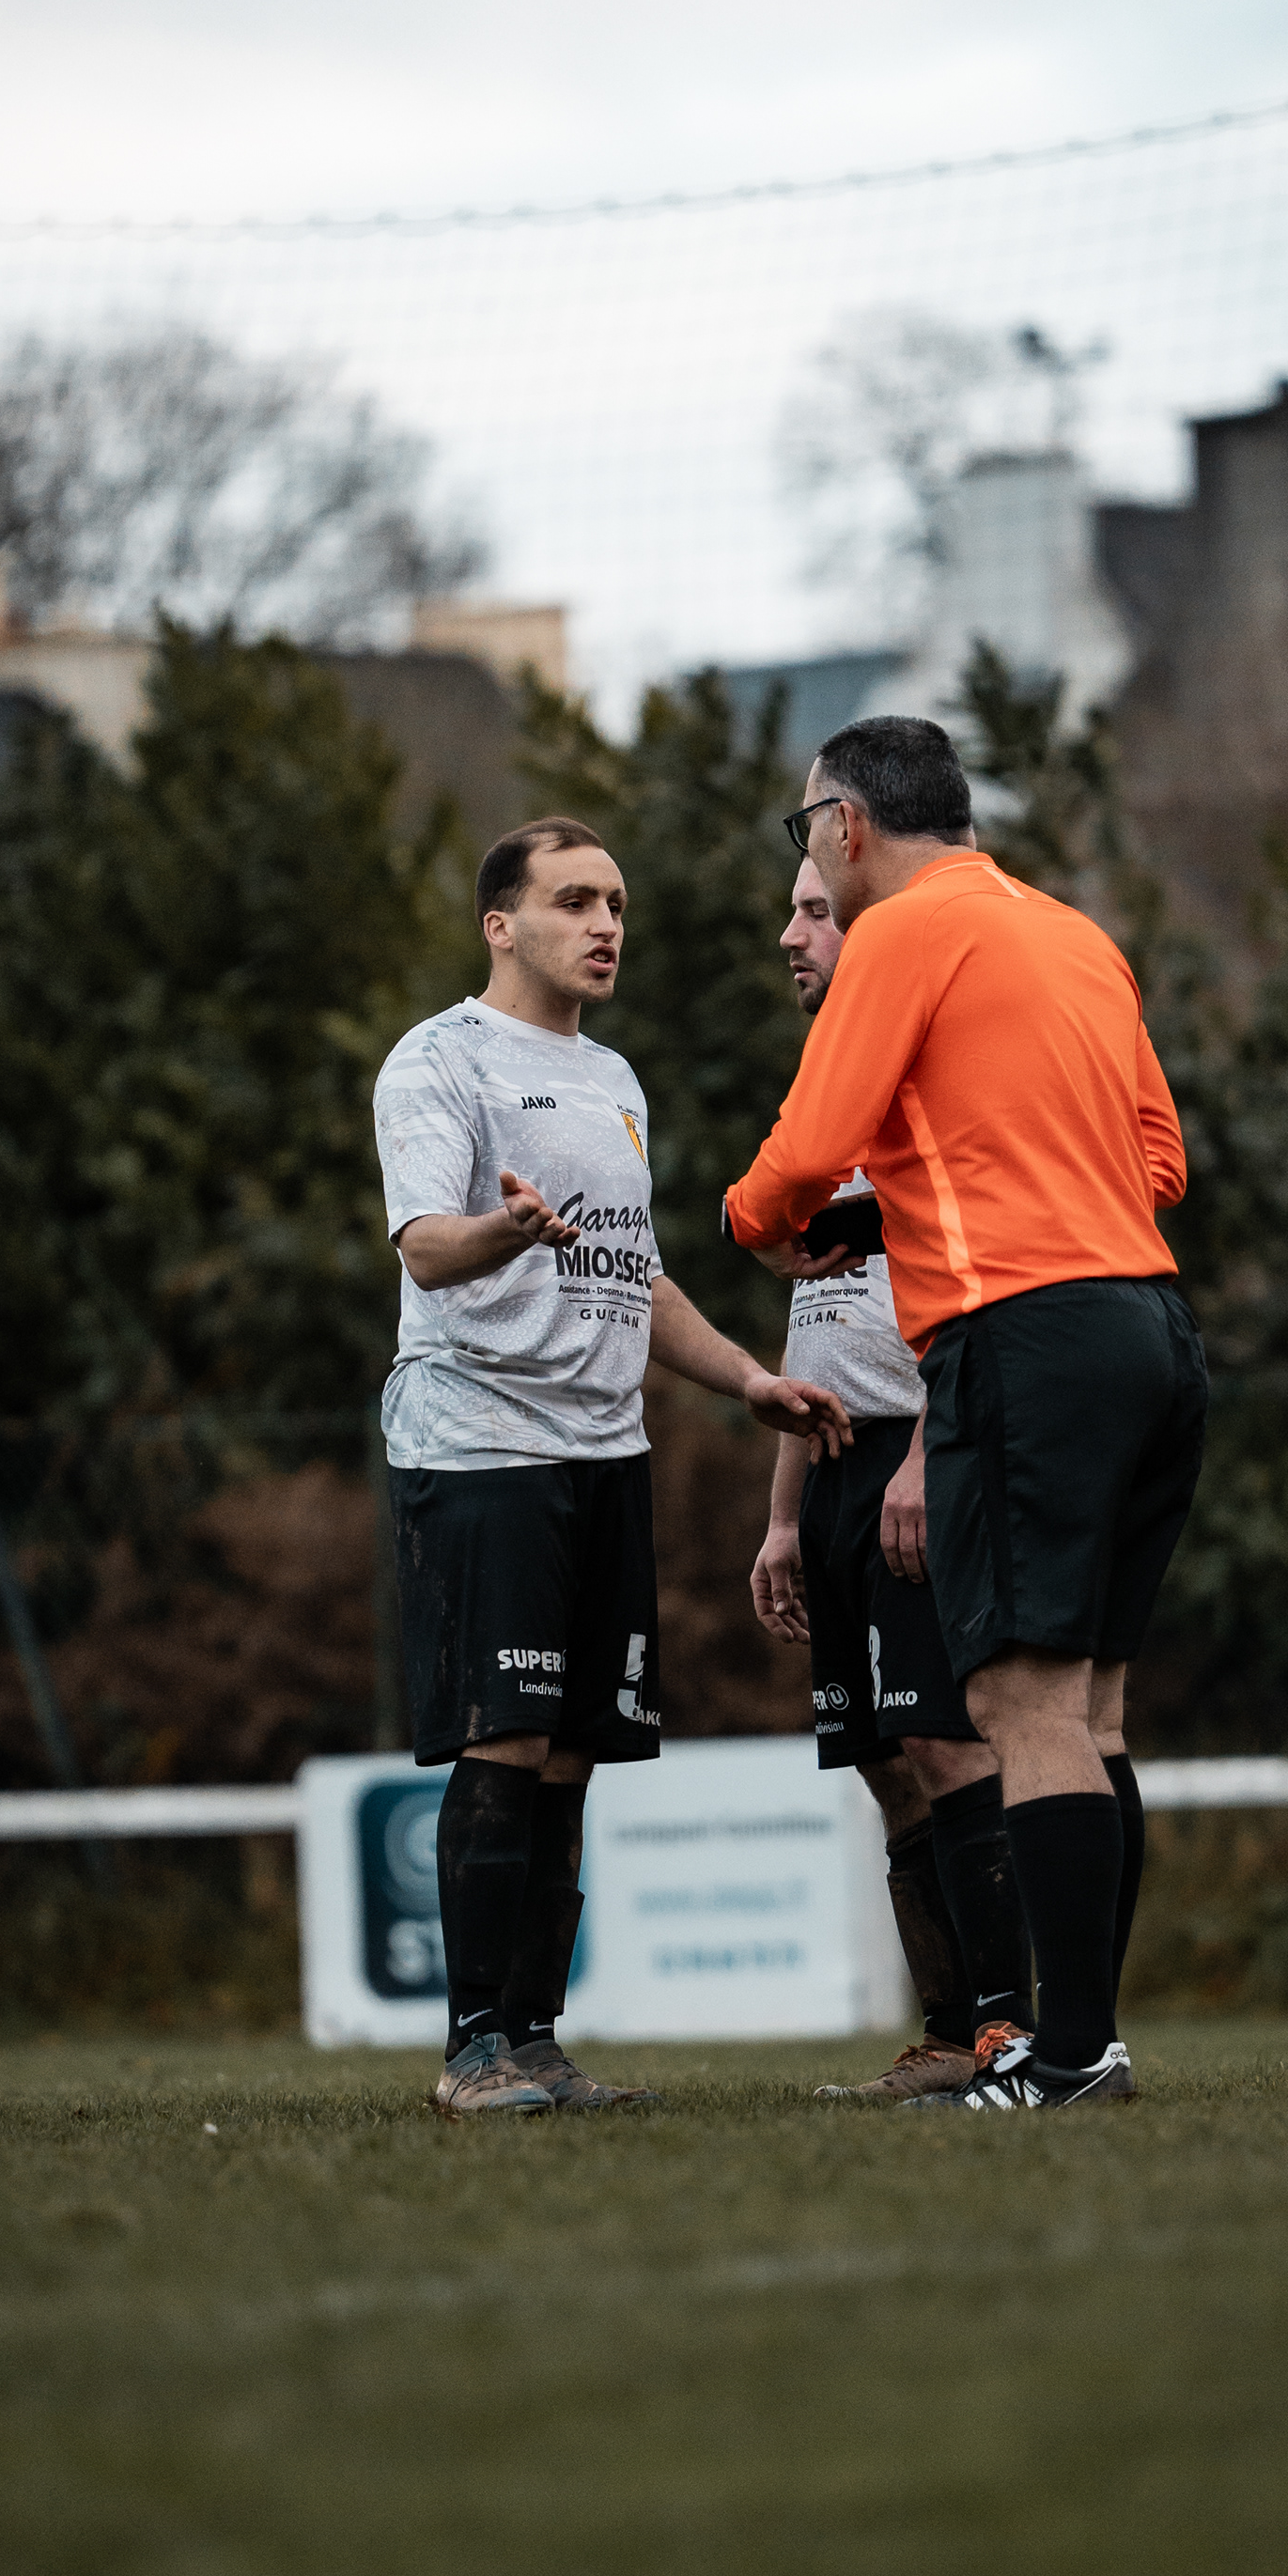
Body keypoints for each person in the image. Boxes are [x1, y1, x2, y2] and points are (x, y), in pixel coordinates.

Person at [725, 718, 1205, 2113]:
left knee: (1017, 1703)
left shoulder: (899, 931)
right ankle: (1088, 2041)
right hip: (1151, 1330)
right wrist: (903, 1216)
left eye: (808, 829)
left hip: (1023, 1340)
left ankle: (1067, 2057)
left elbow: (808, 1150)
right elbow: (1158, 1158)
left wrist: (755, 1219)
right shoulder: (1073, 934)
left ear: (847, 827)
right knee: (1094, 1708)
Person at [374, 813, 852, 2118]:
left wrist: (748, 1379)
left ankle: (535, 2042)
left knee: (575, 1752)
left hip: (604, 1451)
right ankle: (473, 2052)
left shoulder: (616, 1080)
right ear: (500, 924)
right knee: (508, 1735)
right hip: (484, 1443)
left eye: (617, 905)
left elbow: (631, 1276)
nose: (605, 926)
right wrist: (506, 1231)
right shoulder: (440, 1060)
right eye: (576, 901)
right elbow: (426, 1248)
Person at [750, 857, 1033, 2100]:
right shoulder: (821, 1098)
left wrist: (925, 1448)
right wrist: (780, 1517)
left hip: (925, 1448)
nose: (791, 933)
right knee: (882, 1758)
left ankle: (1014, 2032)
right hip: (830, 1466)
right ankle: (947, 2033)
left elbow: (972, 1303)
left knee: (945, 1736)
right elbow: (815, 1327)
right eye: (793, 911)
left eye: (816, 910)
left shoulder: (937, 1082)